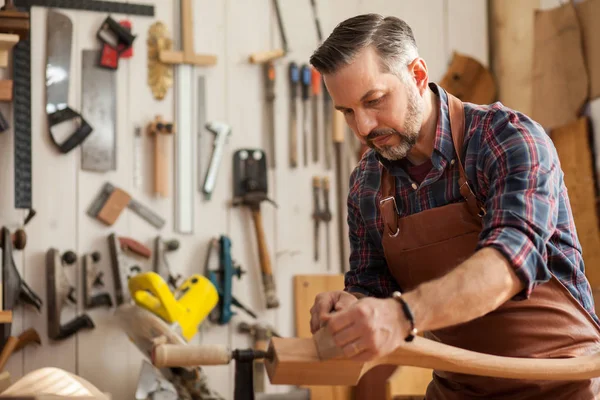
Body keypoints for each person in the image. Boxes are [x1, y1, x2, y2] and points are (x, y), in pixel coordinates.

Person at [308, 13, 600, 399]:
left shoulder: (509, 139)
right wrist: (351, 308)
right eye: (346, 112)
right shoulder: (366, 183)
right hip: (457, 390)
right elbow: (372, 286)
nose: (362, 127)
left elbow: (507, 265)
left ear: (416, 74)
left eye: (374, 101)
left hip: (561, 385)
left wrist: (402, 315)